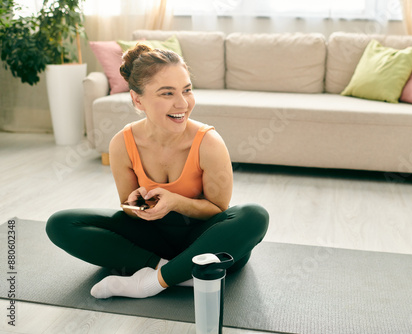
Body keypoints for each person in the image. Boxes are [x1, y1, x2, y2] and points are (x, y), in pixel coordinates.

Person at [46, 44, 269, 299]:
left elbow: (217, 209)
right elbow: (129, 211)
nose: (182, 103)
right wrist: (136, 206)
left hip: (204, 242)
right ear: (137, 99)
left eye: (187, 90)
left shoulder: (208, 142)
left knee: (254, 215)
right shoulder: (122, 143)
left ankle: (149, 283)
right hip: (152, 242)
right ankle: (175, 274)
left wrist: (175, 202)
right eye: (167, 93)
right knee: (61, 223)